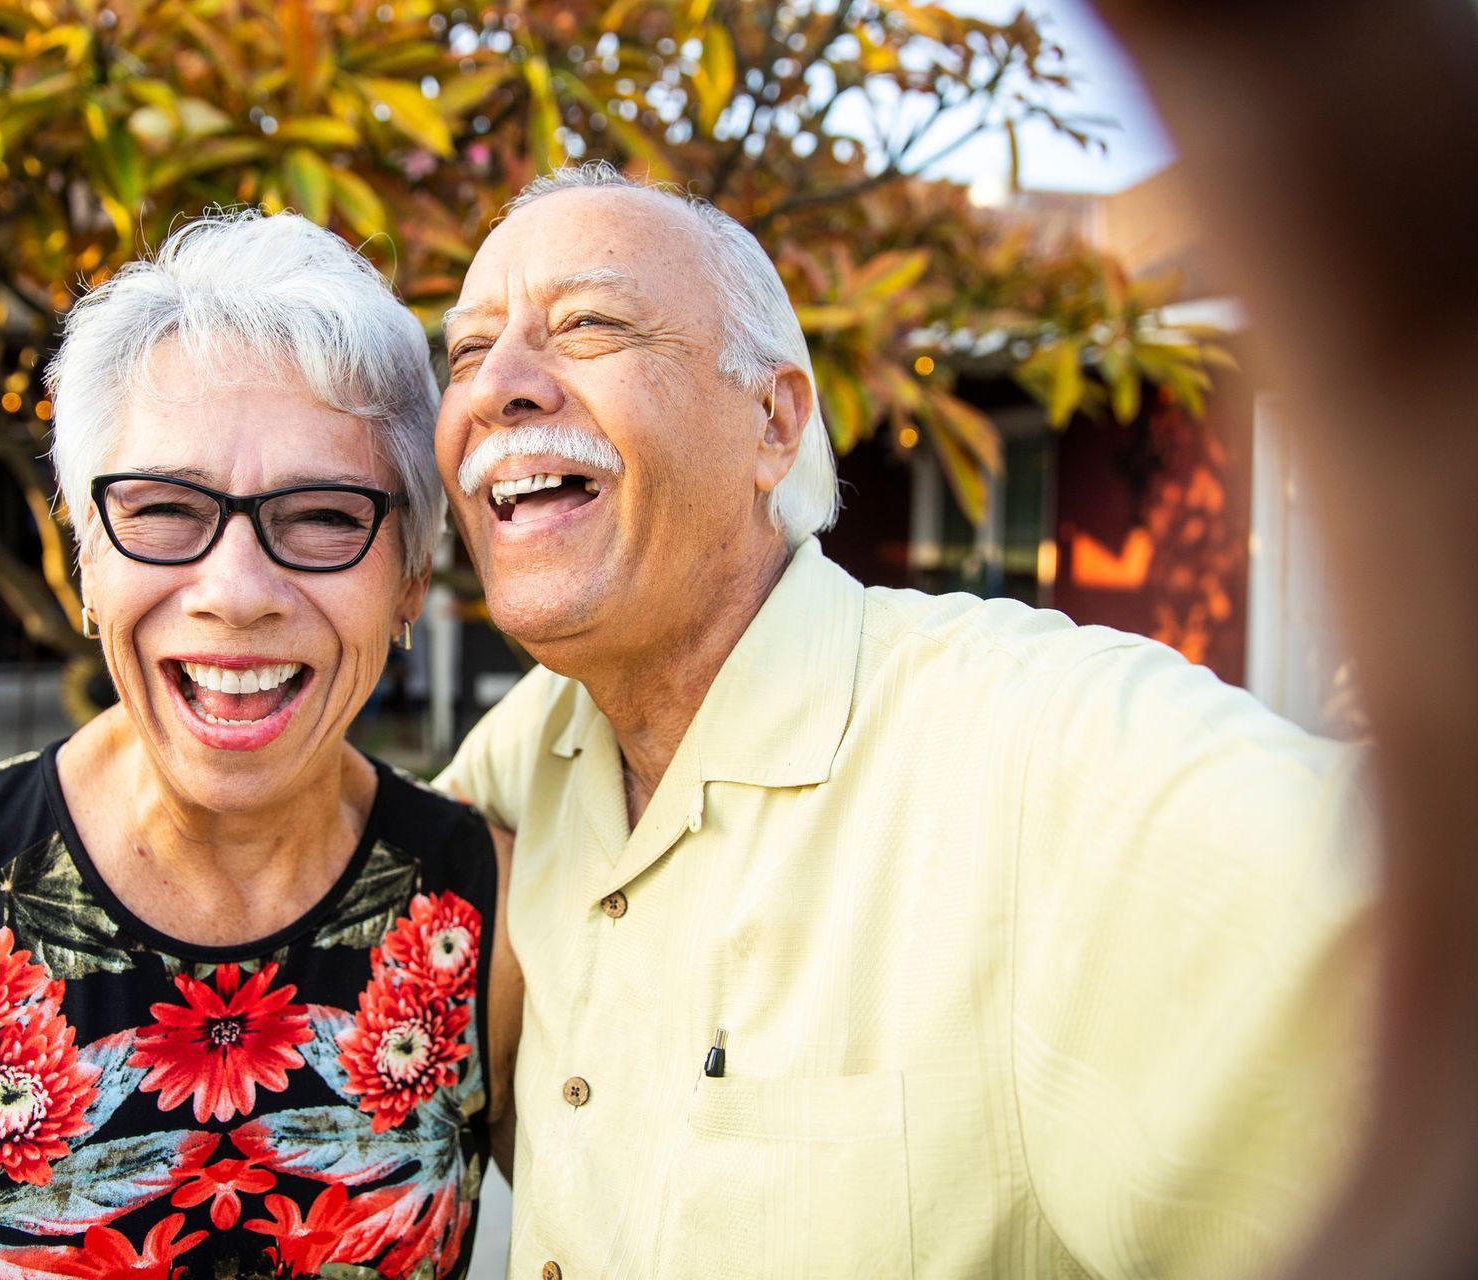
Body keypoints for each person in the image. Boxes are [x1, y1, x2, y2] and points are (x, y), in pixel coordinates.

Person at [435, 164, 1372, 1279]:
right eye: (463, 351)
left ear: (773, 422)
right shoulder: (529, 747)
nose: (497, 384)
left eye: (587, 322)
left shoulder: (1034, 745)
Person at [0, 211, 520, 1280]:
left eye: (324, 515)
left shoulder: (485, 909)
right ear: (87, 560)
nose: (235, 592)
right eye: (165, 507)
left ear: (410, 578)